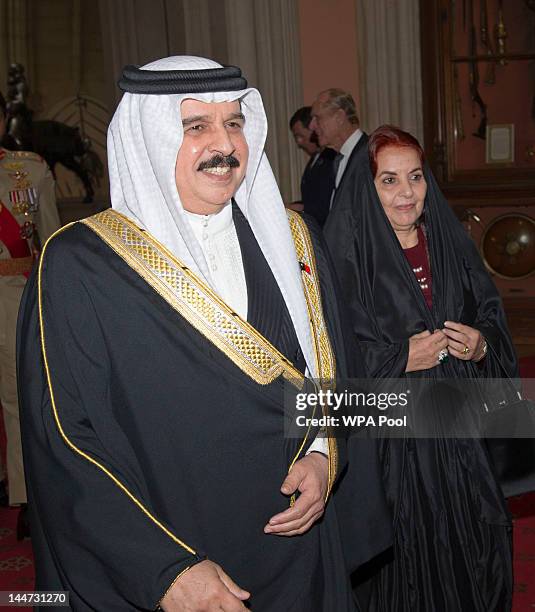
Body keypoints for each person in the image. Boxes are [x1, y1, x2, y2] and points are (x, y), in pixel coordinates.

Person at [17, 56, 387, 611]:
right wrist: (162, 570)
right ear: (152, 138)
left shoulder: (294, 241)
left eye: (235, 123)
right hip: (172, 565)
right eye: (197, 127)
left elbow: (331, 376)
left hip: (297, 548)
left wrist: (321, 454)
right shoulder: (77, 266)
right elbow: (66, 443)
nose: (226, 145)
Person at [324, 124, 516, 611]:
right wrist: (400, 359)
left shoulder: (451, 244)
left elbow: (490, 316)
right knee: (407, 572)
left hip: (461, 437)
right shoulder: (346, 261)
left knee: (474, 550)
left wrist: (480, 343)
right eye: (388, 180)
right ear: (368, 189)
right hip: (394, 452)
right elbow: (331, 355)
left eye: (415, 176)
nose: (406, 192)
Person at [0, 91, 60, 538]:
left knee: (16, 395)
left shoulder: (28, 169)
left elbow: (53, 241)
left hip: (11, 293)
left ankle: (24, 493)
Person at [309, 89, 368, 226]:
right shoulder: (337, 159)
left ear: (340, 117)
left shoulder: (369, 157)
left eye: (317, 118)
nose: (312, 126)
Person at [289, 106, 335, 226]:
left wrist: (300, 208)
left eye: (300, 136)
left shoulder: (331, 158)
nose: (299, 143)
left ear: (313, 129)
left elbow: (328, 203)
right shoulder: (315, 159)